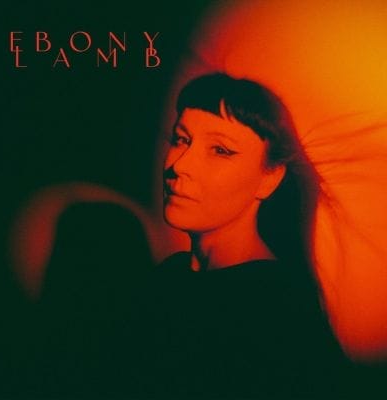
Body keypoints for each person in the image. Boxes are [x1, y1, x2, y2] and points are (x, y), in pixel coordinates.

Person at [128, 73, 354, 399]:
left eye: (220, 150)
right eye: (180, 139)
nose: (179, 165)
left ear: (270, 178)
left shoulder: (279, 314)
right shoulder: (169, 278)